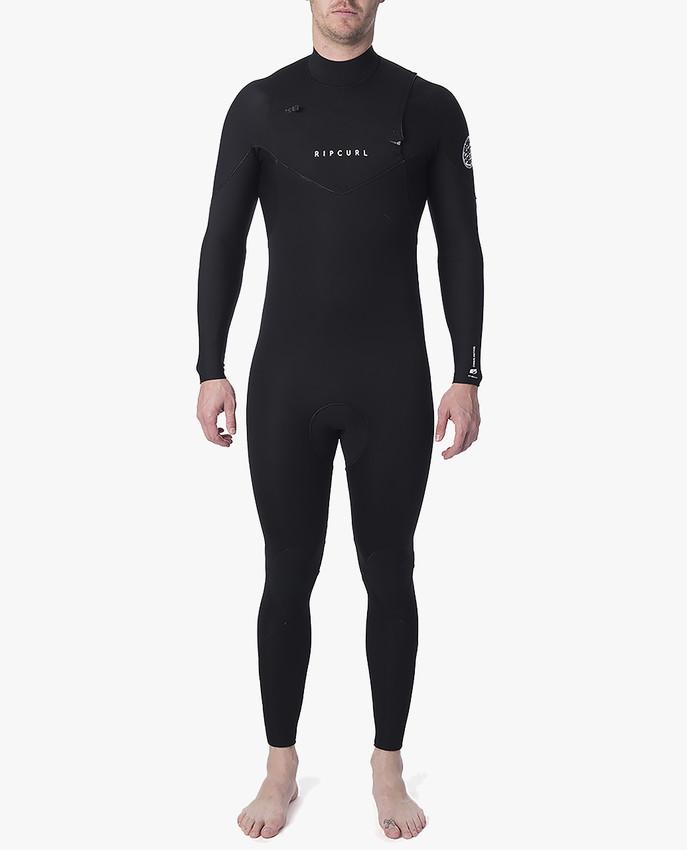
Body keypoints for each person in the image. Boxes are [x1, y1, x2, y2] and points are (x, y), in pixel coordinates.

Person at [195, 0, 484, 839]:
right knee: (286, 574)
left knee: (389, 573)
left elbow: (459, 244)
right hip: (286, 378)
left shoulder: (429, 107)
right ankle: (279, 766)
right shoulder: (258, 105)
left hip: (391, 380)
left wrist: (466, 373)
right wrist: (210, 365)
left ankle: (386, 768)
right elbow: (222, 239)